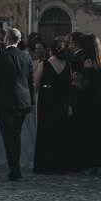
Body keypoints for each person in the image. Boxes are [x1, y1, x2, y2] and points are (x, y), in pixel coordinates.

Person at [0, 27, 34, 181]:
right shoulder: (26, 57)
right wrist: (32, 103)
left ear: (7, 39)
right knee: (16, 135)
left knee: (8, 136)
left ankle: (14, 169)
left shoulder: (0, 57)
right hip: (23, 101)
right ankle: (15, 167)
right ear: (19, 40)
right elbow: (31, 82)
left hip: (5, 101)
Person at [70, 32, 101, 173]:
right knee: (98, 132)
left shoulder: (88, 61)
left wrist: (74, 82)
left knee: (87, 132)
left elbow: (86, 84)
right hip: (99, 100)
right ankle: (99, 161)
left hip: (88, 101)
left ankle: (88, 163)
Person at [33, 37, 72, 174]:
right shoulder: (67, 65)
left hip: (47, 98)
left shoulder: (45, 64)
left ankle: (45, 164)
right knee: (60, 130)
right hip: (61, 99)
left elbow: (36, 82)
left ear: (50, 50)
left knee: (45, 130)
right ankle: (60, 163)